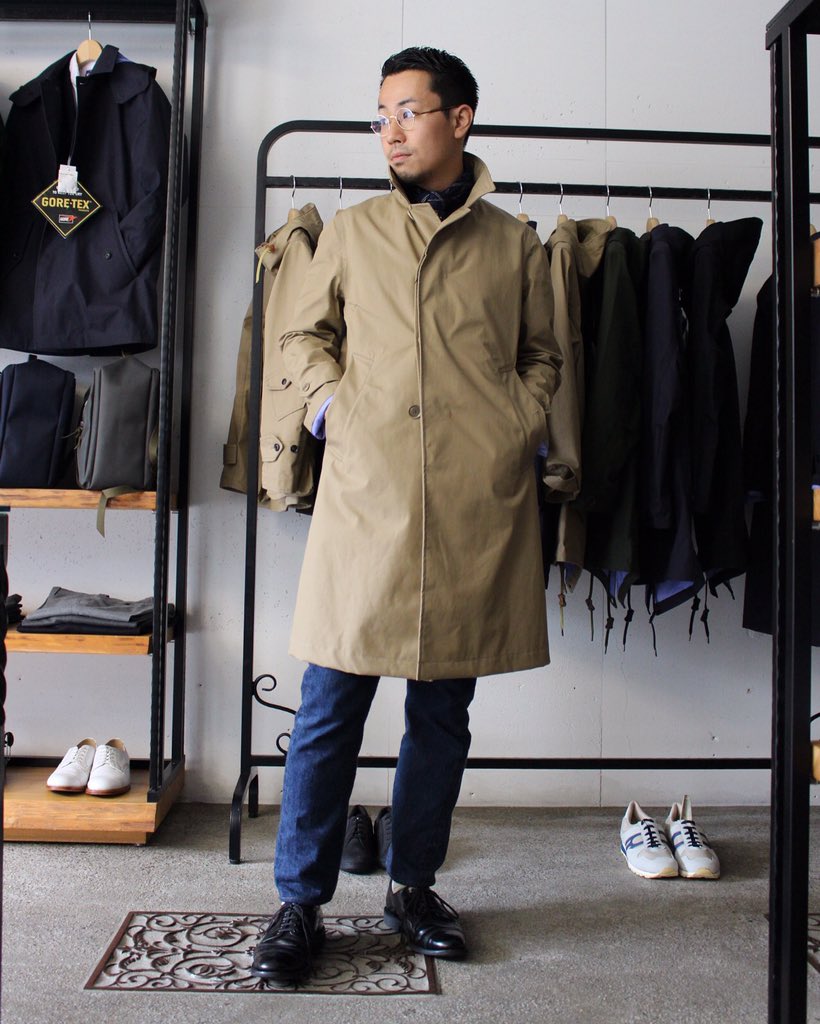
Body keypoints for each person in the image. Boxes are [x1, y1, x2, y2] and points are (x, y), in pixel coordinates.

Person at [251, 45, 562, 985]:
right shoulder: (350, 232)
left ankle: (413, 887)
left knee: (442, 714)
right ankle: (299, 902)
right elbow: (300, 333)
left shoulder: (513, 243)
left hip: (472, 507)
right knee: (327, 709)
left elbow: (544, 356)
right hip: (367, 502)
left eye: (408, 112)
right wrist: (331, 411)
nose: (389, 130)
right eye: (379, 114)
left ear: (459, 120)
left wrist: (518, 422)